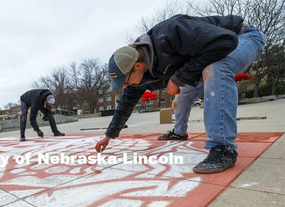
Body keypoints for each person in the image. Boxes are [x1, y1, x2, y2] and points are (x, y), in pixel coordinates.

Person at [95, 14, 267, 173]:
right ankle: (179, 131)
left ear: (138, 66)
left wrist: (176, 79)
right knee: (182, 96)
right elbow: (125, 105)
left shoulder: (171, 32)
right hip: (205, 59)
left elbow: (226, 41)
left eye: (126, 81)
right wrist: (108, 136)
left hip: (244, 37)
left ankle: (223, 149)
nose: (126, 86)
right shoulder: (139, 77)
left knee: (216, 69)